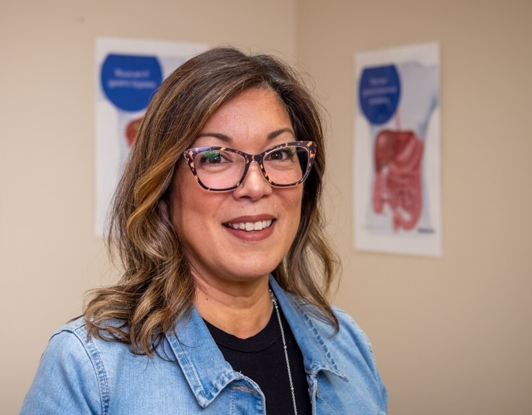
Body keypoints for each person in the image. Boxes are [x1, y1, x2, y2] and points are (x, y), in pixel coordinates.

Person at [20, 47, 387, 414]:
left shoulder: (347, 345)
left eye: (278, 154)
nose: (256, 186)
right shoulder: (88, 369)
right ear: (163, 189)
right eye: (215, 157)